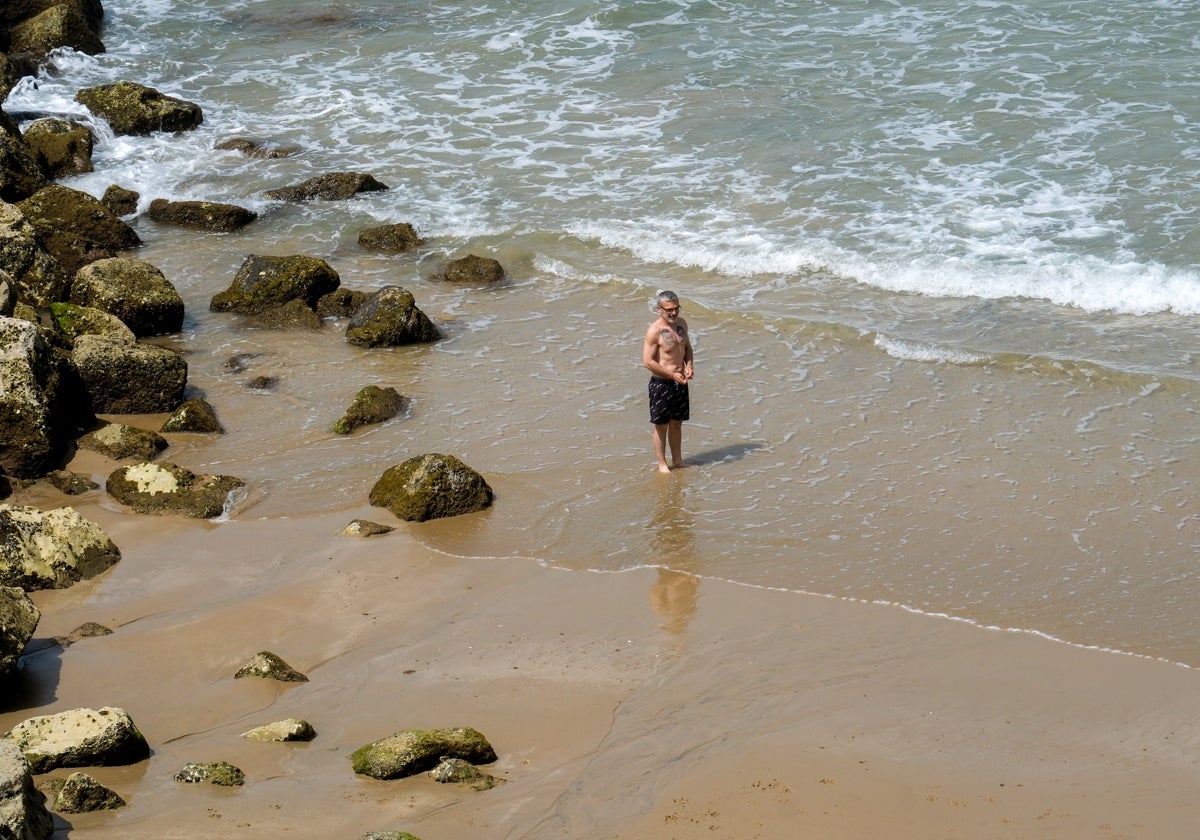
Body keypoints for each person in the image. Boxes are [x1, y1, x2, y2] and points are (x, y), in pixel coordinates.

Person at [642, 290, 694, 473]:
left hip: (680, 383)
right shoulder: (654, 331)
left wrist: (689, 365)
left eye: (676, 308)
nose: (673, 313)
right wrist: (671, 376)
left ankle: (678, 460)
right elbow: (647, 361)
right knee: (661, 425)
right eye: (669, 310)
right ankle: (662, 464)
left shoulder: (682, 324)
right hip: (661, 384)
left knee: (677, 422)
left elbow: (687, 347)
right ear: (659, 309)